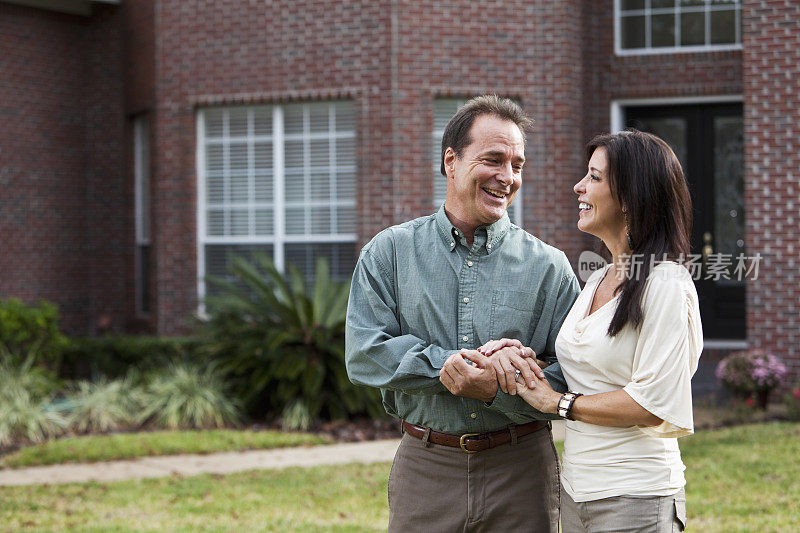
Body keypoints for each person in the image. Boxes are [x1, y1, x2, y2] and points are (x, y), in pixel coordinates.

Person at [345, 95, 580, 532]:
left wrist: (496, 386)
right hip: (426, 468)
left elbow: (571, 377)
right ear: (450, 161)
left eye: (518, 164)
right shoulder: (390, 254)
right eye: (493, 159)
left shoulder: (550, 267)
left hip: (522, 470)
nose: (507, 177)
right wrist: (447, 367)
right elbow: (365, 353)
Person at [478, 129, 701, 532]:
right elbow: (588, 368)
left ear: (632, 196)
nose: (578, 186)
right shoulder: (597, 280)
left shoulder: (666, 282)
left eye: (594, 178)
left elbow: (652, 405)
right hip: (577, 493)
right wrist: (522, 359)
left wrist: (558, 403)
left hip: (636, 497)